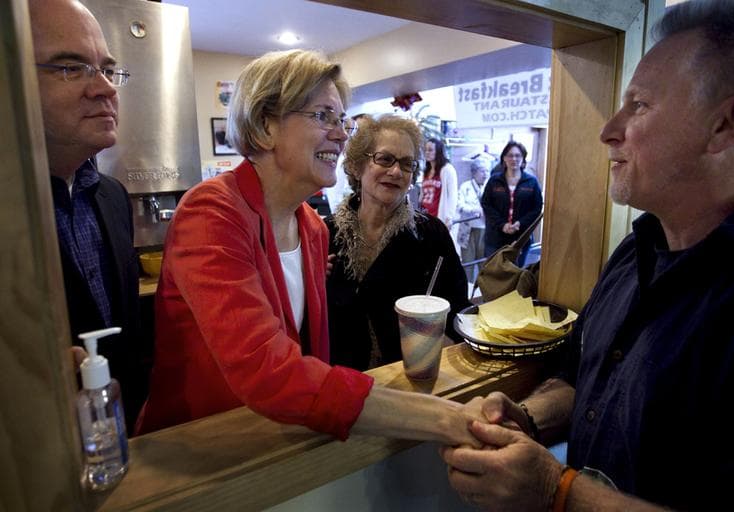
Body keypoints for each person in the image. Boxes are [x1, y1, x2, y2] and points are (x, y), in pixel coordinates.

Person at [441, 0, 734, 510]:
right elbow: (585, 379)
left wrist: (557, 492)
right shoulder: (637, 249)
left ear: (729, 121)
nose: (607, 129)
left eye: (639, 105)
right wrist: (529, 417)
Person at [135, 50, 484, 447]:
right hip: (202, 450)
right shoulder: (211, 212)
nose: (340, 134)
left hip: (280, 441)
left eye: (341, 121)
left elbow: (312, 361)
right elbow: (268, 369)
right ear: (265, 125)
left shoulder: (312, 228)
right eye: (323, 116)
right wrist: (446, 420)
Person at [30, 0, 147, 435]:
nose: (106, 89)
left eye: (106, 69)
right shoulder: (12, 208)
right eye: (71, 68)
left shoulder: (114, 196)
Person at [324, 115, 470, 371]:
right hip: (339, 382)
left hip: (408, 379)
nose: (395, 171)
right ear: (358, 166)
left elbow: (459, 312)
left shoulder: (430, 234)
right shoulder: (325, 233)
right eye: (384, 159)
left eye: (407, 164)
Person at [481, 141, 543, 267]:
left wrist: (520, 223)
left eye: (518, 155)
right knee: (494, 274)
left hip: (520, 239)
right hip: (495, 238)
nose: (514, 159)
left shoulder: (531, 182)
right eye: (510, 155)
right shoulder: (494, 181)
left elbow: (537, 208)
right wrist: (502, 225)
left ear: (523, 158)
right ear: (504, 158)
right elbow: (486, 204)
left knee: (514, 275)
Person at [456, 158, 490, 282]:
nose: (485, 174)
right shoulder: (465, 187)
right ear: (474, 172)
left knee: (484, 264)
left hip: (485, 230)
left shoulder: (490, 187)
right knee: (468, 263)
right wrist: (474, 209)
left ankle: (482, 293)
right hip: (467, 230)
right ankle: (467, 293)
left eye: (487, 171)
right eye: (482, 171)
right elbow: (459, 206)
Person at [420, 138, 458, 241]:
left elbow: (453, 195)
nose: (427, 152)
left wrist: (449, 217)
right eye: (426, 150)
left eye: (430, 150)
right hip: (425, 216)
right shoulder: (426, 171)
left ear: (439, 151)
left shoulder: (447, 169)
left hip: (439, 216)